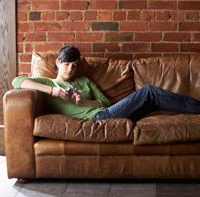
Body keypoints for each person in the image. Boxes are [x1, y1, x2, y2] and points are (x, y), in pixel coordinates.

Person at [12, 46, 200, 122]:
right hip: (98, 119)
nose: (70, 69)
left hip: (104, 112)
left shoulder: (83, 81)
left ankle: (192, 108)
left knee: (153, 101)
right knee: (149, 92)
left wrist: (82, 102)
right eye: (66, 64)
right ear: (58, 63)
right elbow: (17, 81)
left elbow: (105, 104)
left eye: (74, 65)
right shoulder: (48, 82)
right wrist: (53, 91)